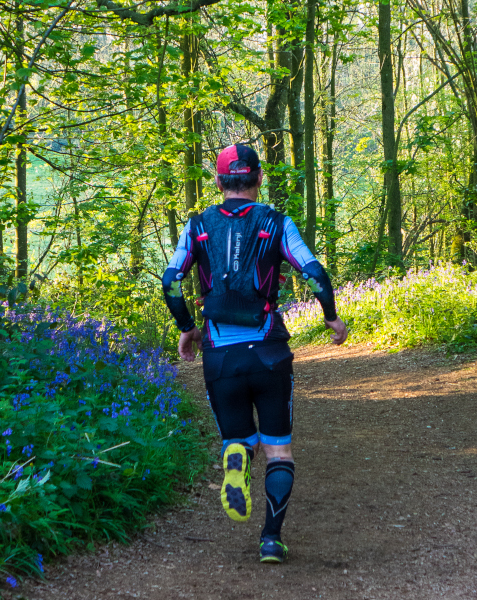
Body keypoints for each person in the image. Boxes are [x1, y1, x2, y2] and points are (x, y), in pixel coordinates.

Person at [162, 143, 347, 564]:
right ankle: (270, 539)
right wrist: (331, 318)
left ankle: (236, 456)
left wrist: (187, 329)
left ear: (218, 180)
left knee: (239, 438)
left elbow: (171, 279)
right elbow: (313, 270)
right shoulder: (278, 223)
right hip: (268, 352)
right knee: (279, 449)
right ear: (259, 179)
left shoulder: (196, 225)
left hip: (219, 355)